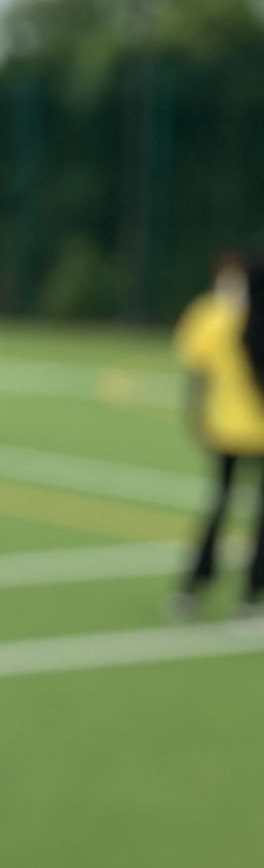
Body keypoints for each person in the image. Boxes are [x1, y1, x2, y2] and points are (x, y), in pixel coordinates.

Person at [172, 252, 264, 622]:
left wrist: (196, 417)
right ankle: (251, 596)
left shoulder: (212, 314)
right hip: (244, 428)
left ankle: (193, 586)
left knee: (219, 507)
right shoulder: (218, 315)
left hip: (226, 427)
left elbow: (198, 373)